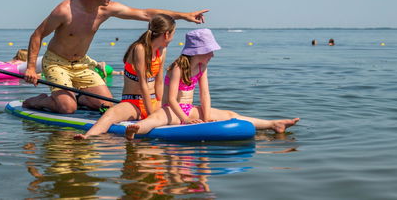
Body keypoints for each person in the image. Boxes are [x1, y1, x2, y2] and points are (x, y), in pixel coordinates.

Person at [22, 0, 207, 114]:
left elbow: (145, 14)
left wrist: (184, 15)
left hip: (81, 64)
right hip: (57, 63)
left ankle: (79, 97)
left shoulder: (106, 10)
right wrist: (31, 68)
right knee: (67, 108)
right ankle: (41, 100)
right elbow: (37, 35)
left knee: (106, 105)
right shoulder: (65, 11)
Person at [125, 29, 300, 140]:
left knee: (230, 114)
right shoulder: (178, 66)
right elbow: (170, 99)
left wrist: (206, 117)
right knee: (155, 120)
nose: (212, 55)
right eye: (209, 51)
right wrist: (185, 120)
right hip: (172, 109)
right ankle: (136, 130)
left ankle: (273, 124)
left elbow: (205, 94)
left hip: (190, 108)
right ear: (198, 51)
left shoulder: (202, 66)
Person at [73, 14, 176, 139]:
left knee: (178, 107)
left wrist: (162, 104)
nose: (172, 38)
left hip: (154, 101)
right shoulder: (140, 49)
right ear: (166, 34)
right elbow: (143, 85)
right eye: (173, 34)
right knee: (110, 114)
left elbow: (158, 83)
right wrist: (151, 115)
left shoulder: (162, 51)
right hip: (133, 103)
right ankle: (87, 136)